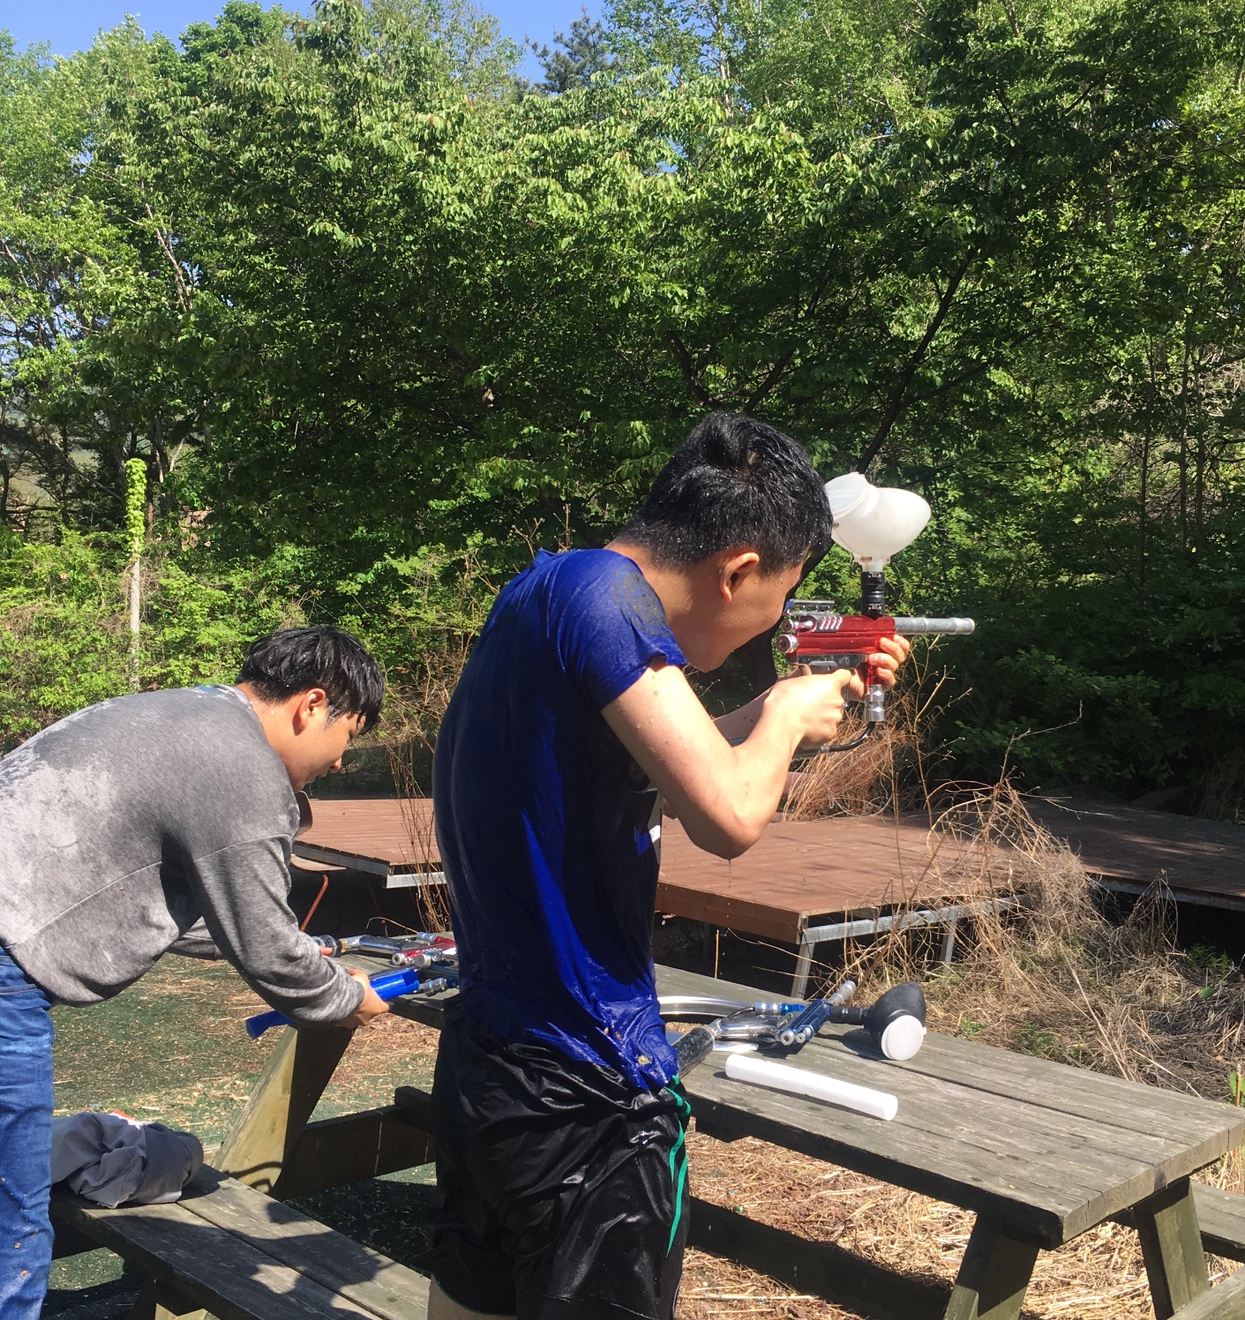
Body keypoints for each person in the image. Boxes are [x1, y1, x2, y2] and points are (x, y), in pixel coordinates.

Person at [428, 412, 911, 1320]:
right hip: (587, 1085)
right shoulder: (609, 602)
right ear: (737, 570)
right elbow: (727, 819)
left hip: (493, 1060)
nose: (775, 621)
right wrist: (783, 718)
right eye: (782, 595)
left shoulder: (548, 590)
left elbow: (676, 768)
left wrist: (784, 713)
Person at [0, 626, 392, 1318]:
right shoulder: (245, 766)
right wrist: (344, 998)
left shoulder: (182, 715)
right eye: (347, 736)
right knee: (13, 1217)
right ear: (312, 705)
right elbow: (268, 950)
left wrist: (303, 953)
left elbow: (198, 915)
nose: (339, 761)